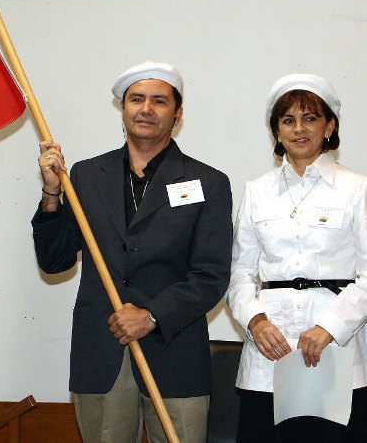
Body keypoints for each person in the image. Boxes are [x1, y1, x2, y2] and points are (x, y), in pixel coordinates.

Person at [32, 61, 232, 443]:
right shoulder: (86, 176)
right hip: (101, 351)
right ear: (123, 109)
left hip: (175, 351)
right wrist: (52, 191)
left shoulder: (207, 181)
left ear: (178, 113)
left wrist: (153, 315)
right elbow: (54, 261)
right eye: (137, 99)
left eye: (160, 101)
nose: (146, 109)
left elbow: (211, 275)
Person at [226, 74, 367, 443]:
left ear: (329, 126)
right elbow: (238, 276)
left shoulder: (358, 187)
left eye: (311, 118)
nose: (299, 129)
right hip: (271, 349)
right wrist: (255, 322)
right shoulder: (256, 191)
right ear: (276, 131)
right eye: (288, 120)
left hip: (339, 351)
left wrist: (329, 327)